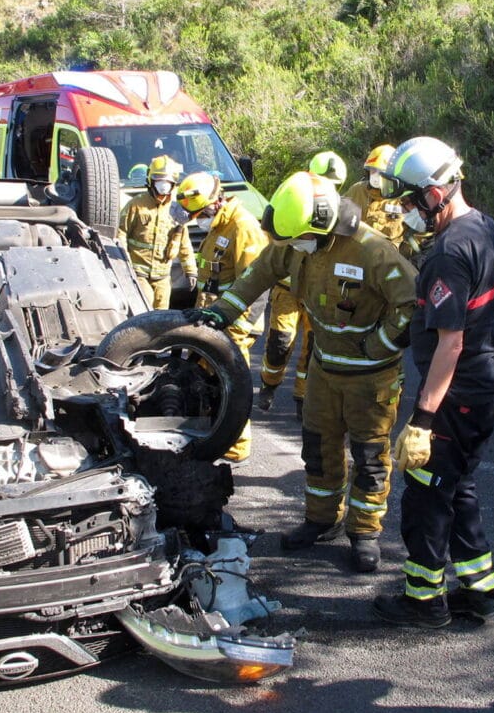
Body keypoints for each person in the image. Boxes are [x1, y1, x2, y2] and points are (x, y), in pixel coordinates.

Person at [189, 171, 417, 572]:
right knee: (318, 449)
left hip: (371, 379)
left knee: (369, 459)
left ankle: (364, 533)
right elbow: (258, 273)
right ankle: (320, 519)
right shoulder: (298, 244)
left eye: (298, 240)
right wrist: (221, 312)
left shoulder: (373, 252)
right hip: (324, 372)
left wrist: (378, 346)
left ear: (323, 224)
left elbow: (411, 304)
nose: (294, 249)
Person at [366, 137, 494, 628]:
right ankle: (482, 589)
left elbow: (450, 343)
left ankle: (423, 600)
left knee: (426, 491)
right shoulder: (483, 228)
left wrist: (424, 419)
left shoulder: (449, 252)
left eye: (409, 199)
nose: (404, 209)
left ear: (434, 193)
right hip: (487, 381)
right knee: (458, 484)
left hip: (457, 393)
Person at [175, 171, 266, 462]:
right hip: (214, 324)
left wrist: (237, 332)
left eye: (200, 212)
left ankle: (237, 446)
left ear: (216, 202)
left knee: (232, 386)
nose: (198, 218)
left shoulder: (242, 227)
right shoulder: (218, 225)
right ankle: (217, 436)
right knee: (212, 383)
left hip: (233, 327)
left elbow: (256, 284)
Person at [257, 151, 346, 417]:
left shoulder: (333, 211)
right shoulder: (291, 199)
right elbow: (271, 249)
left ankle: (302, 398)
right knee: (280, 343)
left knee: (312, 348)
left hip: (315, 293)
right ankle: (268, 385)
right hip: (285, 291)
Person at [117, 155, 197, 310]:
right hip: (139, 273)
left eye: (167, 182)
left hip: (163, 276)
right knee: (145, 308)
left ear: (174, 184)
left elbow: (184, 243)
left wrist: (191, 271)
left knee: (161, 314)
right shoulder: (136, 205)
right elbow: (120, 234)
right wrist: (123, 265)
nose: (163, 186)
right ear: (151, 181)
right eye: (159, 181)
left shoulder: (176, 209)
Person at [344, 145, 406, 251]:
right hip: (356, 253)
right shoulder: (357, 190)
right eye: (373, 170)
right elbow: (342, 220)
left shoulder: (403, 198)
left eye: (381, 172)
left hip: (390, 257)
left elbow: (417, 235)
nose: (376, 176)